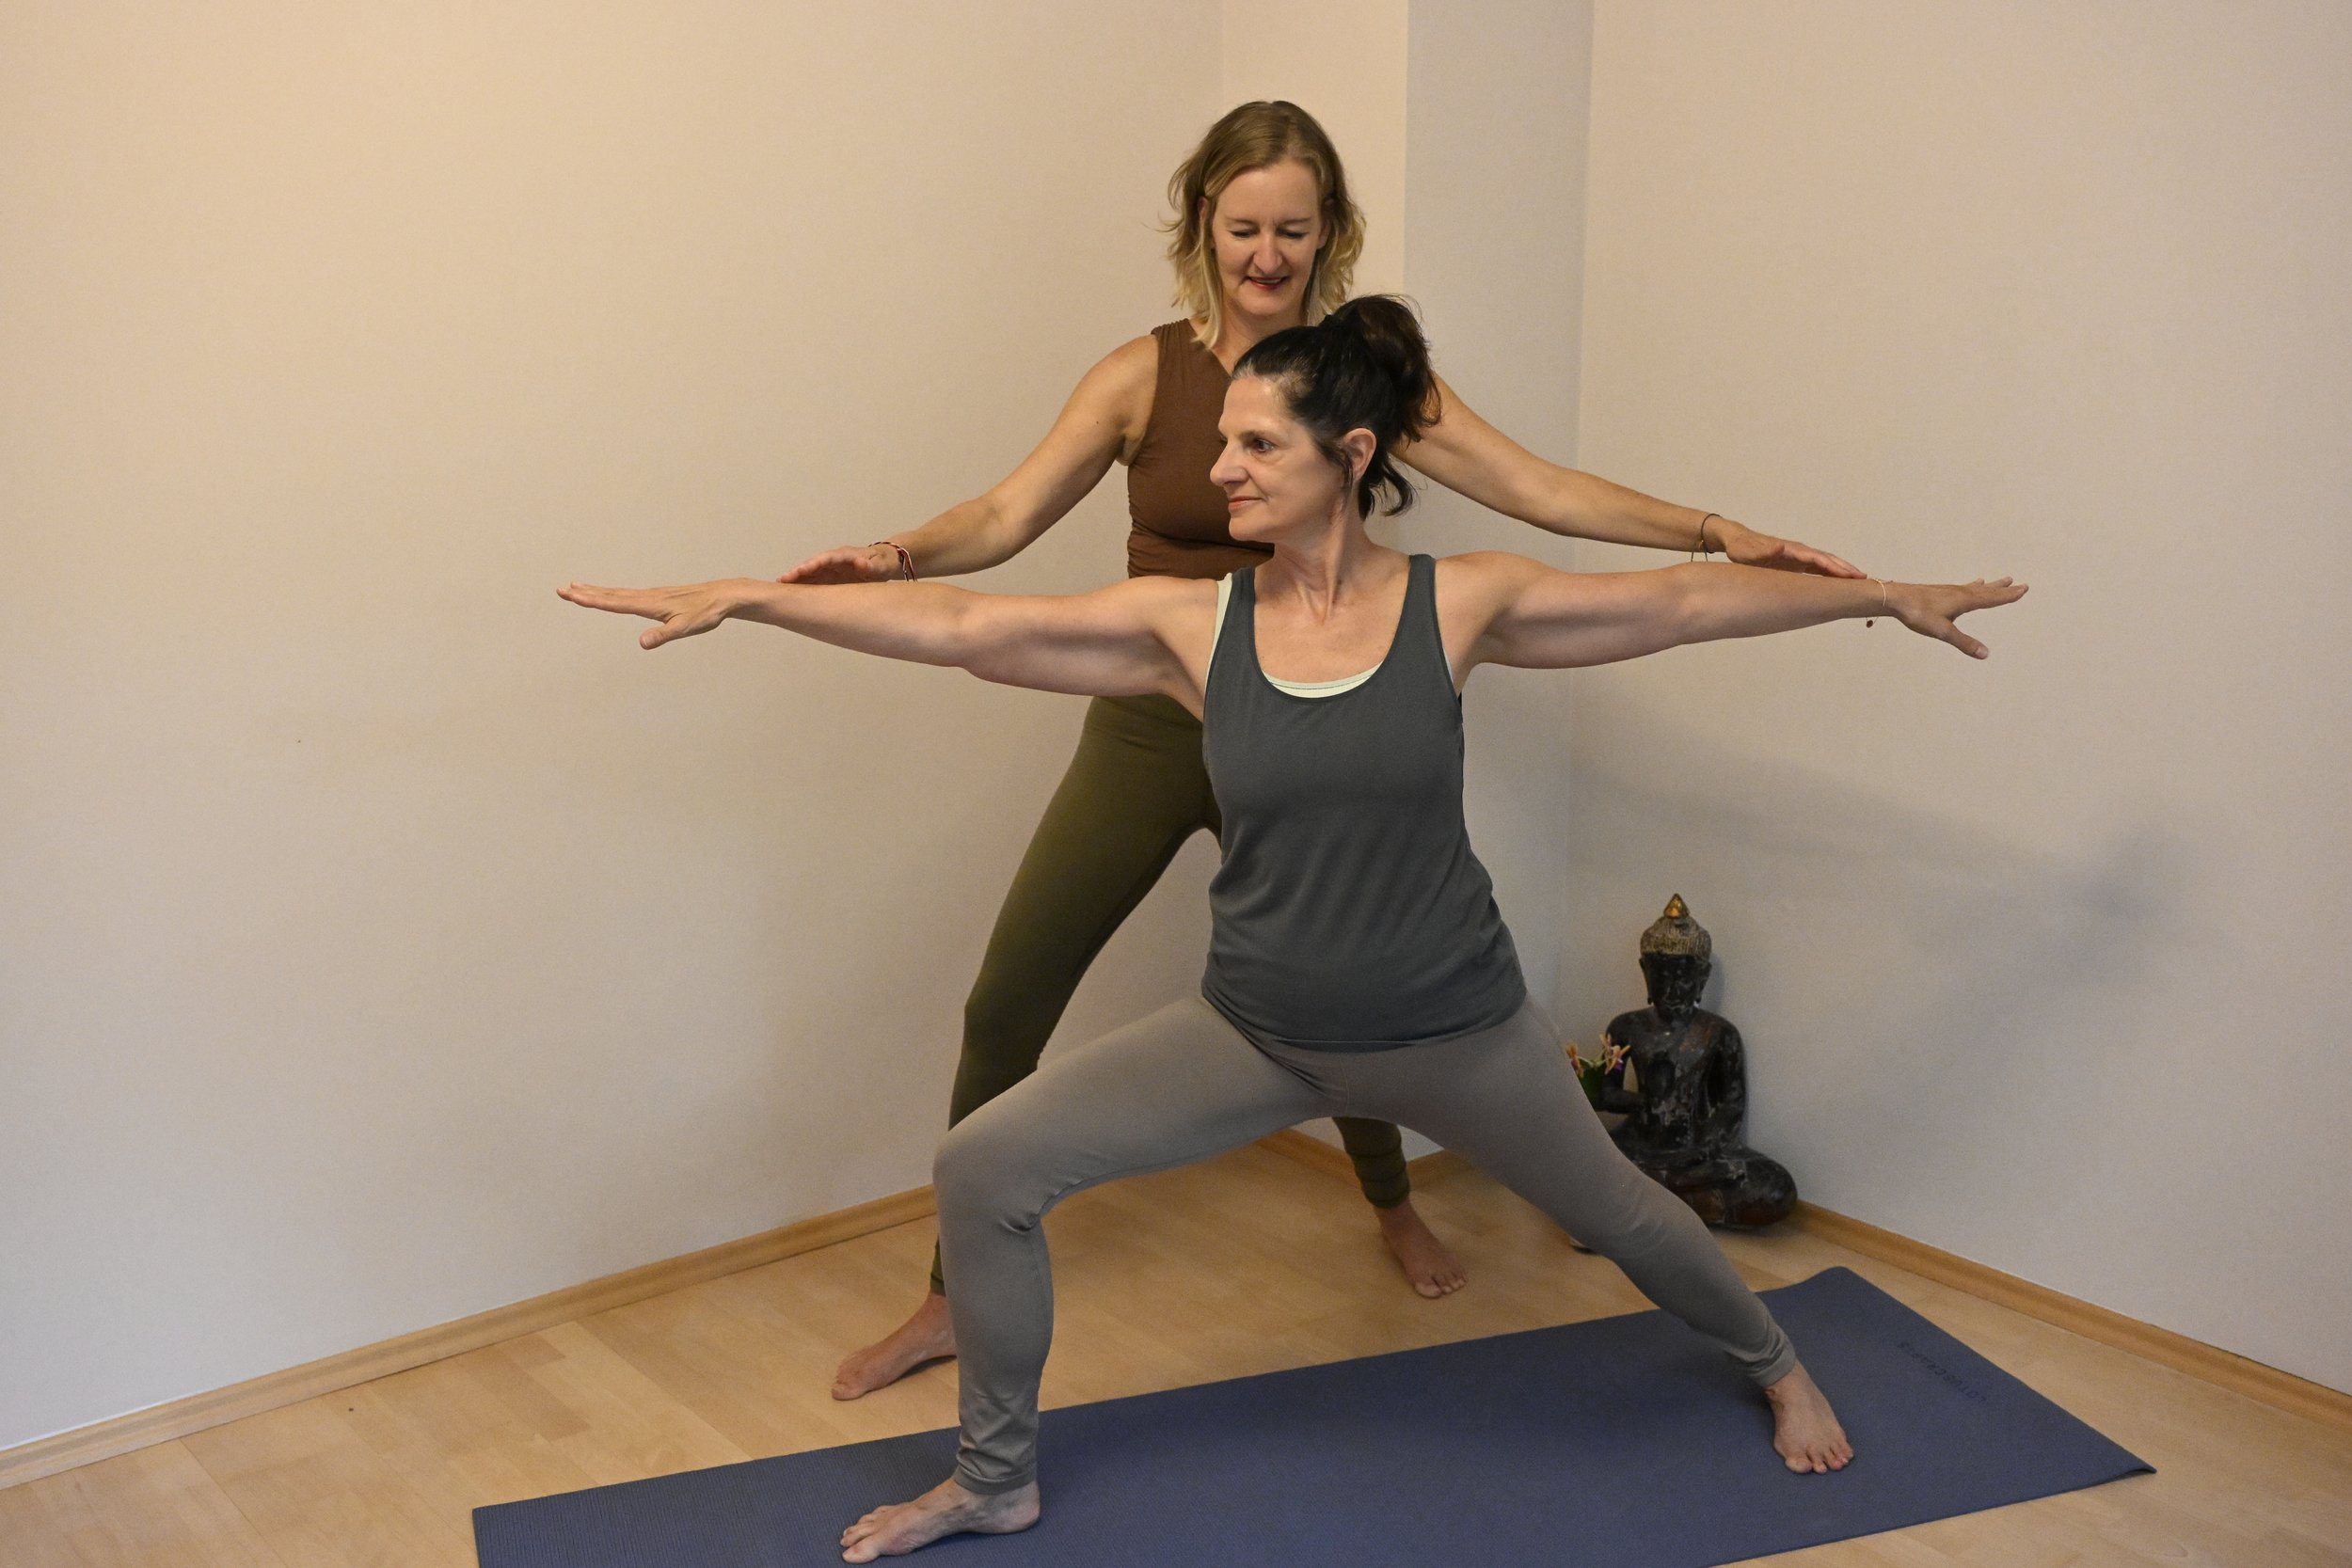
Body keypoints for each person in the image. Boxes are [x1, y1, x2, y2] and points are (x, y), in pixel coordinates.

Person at [560, 294, 2025, 1560]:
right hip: (1256, 1034)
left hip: (1456, 1035)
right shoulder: (1191, 629)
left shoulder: (1465, 607)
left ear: (1354, 459)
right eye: (1224, 444)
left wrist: (1878, 599)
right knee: (984, 1165)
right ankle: (992, 1484)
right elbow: (959, 630)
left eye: (1256, 446)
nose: (1222, 471)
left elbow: (1685, 611)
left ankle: (1773, 1363)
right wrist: (752, 599)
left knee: (1627, 1215)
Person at [780, 100, 1866, 1401]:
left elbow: (1542, 491)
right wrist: (894, 556)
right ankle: (947, 1300)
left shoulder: (1358, 384)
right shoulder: (1143, 374)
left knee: (1343, 988)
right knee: (1008, 996)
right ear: (1202, 228)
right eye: (1243, 228)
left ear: (1330, 233)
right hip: (1152, 721)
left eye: (1295, 229)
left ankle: (1393, 1204)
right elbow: (1006, 514)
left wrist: (1709, 529)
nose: (1267, 254)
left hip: (1315, 727)